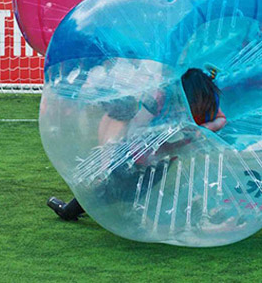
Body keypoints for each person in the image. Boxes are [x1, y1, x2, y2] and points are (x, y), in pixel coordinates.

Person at [48, 67, 226, 221]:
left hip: (167, 153)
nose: (184, 109)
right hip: (141, 150)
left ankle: (118, 209)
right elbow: (137, 126)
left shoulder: (208, 103)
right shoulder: (163, 98)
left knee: (136, 189)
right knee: (110, 186)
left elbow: (221, 119)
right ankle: (70, 210)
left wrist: (205, 128)